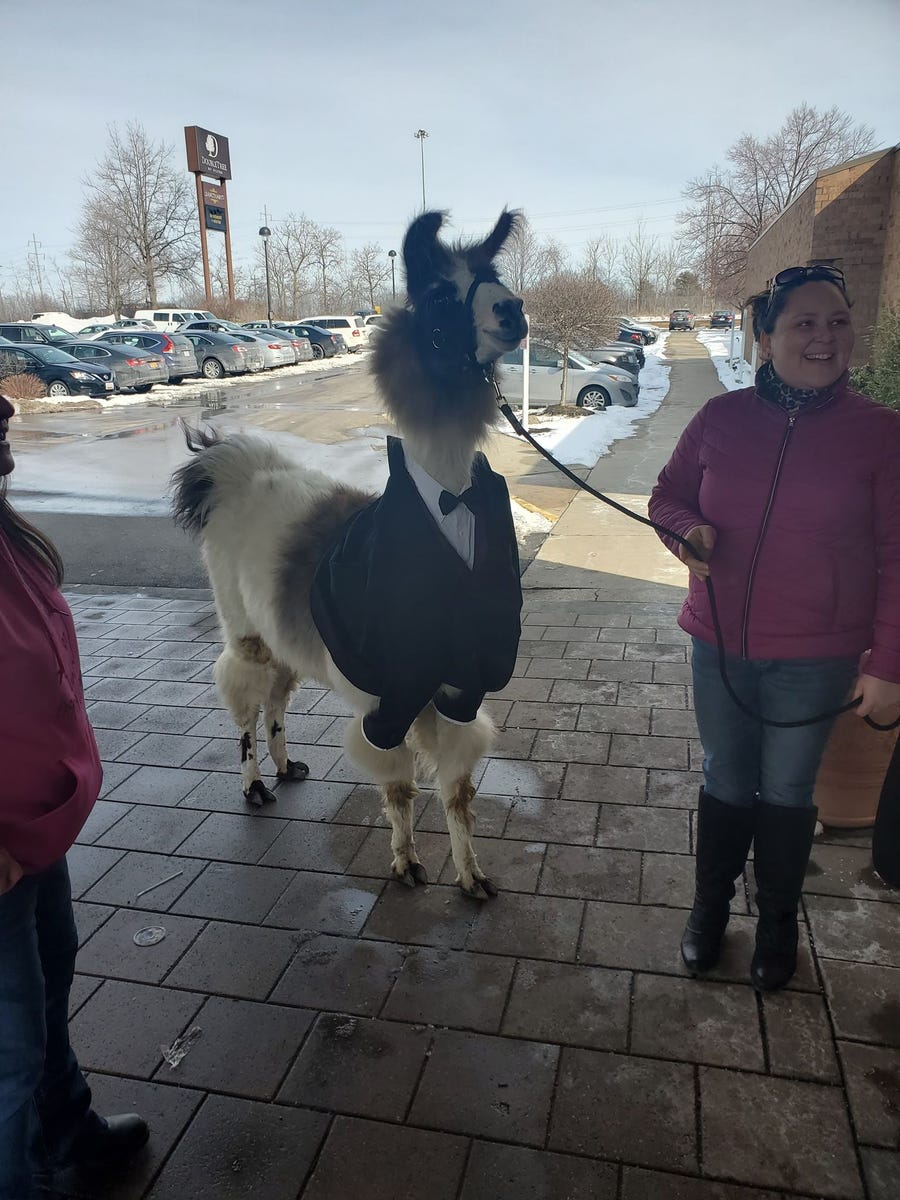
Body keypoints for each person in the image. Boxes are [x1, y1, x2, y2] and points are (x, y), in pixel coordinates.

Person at [648, 266, 900, 991]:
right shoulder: (720, 420)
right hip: (718, 642)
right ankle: (708, 910)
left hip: (816, 657)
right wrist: (686, 530)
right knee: (725, 778)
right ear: (765, 338)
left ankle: (780, 921)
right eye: (805, 323)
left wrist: (888, 661)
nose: (825, 338)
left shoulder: (881, 435)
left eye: (838, 322)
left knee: (788, 792)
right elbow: (667, 495)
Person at [0, 394, 148, 1199]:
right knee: (8, 1053)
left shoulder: (4, 534)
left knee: (53, 972)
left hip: (34, 830)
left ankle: (67, 1131)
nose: (3, 405)